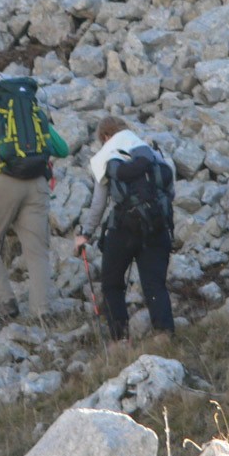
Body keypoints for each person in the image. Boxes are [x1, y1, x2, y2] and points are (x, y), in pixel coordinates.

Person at [0, 75, 69, 320]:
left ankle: (4, 302)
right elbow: (63, 148)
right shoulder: (33, 111)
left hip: (6, 182)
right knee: (37, 250)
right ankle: (42, 311)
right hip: (38, 184)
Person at [74, 117, 175, 342]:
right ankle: (164, 335)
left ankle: (120, 339)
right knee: (155, 284)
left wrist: (85, 234)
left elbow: (99, 204)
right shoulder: (151, 152)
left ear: (105, 136)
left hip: (123, 229)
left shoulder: (106, 156)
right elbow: (169, 191)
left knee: (112, 284)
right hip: (157, 226)